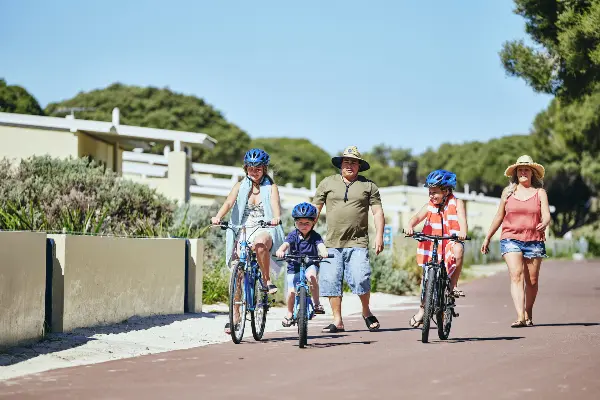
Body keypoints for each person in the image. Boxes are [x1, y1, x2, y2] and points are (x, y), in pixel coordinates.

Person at [211, 148, 285, 334]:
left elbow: (276, 206)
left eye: (258, 168)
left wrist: (276, 218)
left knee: (260, 244)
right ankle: (235, 316)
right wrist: (218, 216)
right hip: (242, 228)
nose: (254, 171)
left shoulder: (271, 187)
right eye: (251, 168)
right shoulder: (239, 186)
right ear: (246, 168)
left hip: (264, 226)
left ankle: (267, 281)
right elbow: (228, 203)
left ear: (264, 168)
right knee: (238, 273)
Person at [312, 145, 385, 333]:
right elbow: (315, 210)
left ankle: (366, 312)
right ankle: (337, 321)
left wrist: (379, 235)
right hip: (331, 243)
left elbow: (377, 212)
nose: (350, 165)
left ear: (359, 166)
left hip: (357, 242)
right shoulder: (327, 183)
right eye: (346, 161)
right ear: (340, 164)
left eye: (354, 162)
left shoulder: (369, 186)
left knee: (361, 278)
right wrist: (306, 235)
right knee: (331, 281)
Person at [481, 155, 551, 328]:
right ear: (516, 173)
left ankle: (528, 312)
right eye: (520, 169)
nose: (523, 172)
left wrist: (545, 222)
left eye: (526, 169)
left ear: (533, 173)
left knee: (532, 282)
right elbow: (499, 216)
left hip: (534, 240)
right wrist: (488, 237)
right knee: (516, 275)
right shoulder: (508, 193)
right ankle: (520, 316)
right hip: (510, 238)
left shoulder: (539, 193)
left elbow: (547, 214)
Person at [404, 169, 468, 328]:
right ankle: (422, 310)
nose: (431, 195)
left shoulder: (457, 203)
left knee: (459, 250)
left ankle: (453, 285)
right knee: (426, 277)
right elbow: (417, 217)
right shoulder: (429, 206)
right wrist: (410, 225)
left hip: (450, 241)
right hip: (432, 243)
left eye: (435, 192)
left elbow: (462, 220)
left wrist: (463, 233)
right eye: (429, 192)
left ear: (446, 191)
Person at [276, 202, 329, 327]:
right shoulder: (293, 235)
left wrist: (324, 251)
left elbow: (320, 245)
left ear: (313, 223)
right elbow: (286, 244)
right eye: (300, 223)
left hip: (311, 263)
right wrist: (280, 250)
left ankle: (316, 303)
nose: (303, 226)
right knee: (291, 292)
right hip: (294, 265)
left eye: (307, 223)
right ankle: (289, 313)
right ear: (295, 222)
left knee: (312, 277)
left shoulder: (315, 236)